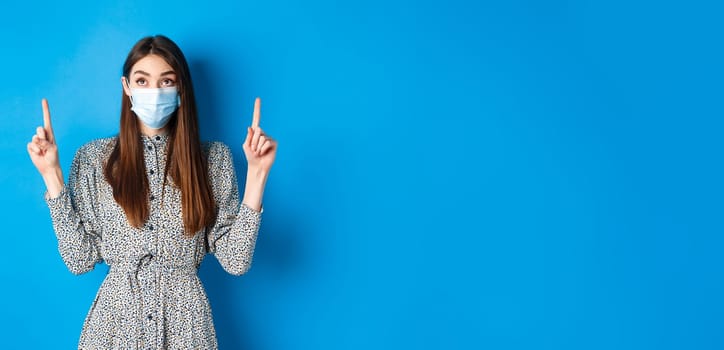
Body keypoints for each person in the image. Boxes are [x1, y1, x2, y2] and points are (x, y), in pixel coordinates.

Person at [26, 35, 277, 349]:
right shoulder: (94, 160)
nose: (154, 92)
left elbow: (235, 261)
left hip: (187, 328)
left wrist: (257, 174)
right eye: (142, 81)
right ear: (127, 86)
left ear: (181, 87)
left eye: (166, 81)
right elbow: (79, 260)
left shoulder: (213, 160)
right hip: (115, 328)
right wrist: (51, 174)